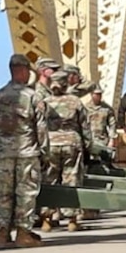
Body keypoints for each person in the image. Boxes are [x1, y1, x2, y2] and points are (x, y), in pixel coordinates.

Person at [0, 54, 49, 249]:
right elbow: (41, 130)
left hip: (2, 154)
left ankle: (1, 235)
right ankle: (23, 234)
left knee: (2, 194)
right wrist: (44, 152)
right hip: (26, 154)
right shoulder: (33, 97)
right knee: (26, 194)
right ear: (23, 71)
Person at [41, 70, 93, 232]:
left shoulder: (45, 102)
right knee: (71, 180)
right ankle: (72, 220)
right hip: (72, 143)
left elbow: (39, 125)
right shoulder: (75, 101)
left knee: (50, 180)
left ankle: (47, 219)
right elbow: (84, 126)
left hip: (51, 143)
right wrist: (88, 147)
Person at [85, 85, 117, 149]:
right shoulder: (85, 108)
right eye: (96, 94)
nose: (99, 96)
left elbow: (112, 125)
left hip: (102, 139)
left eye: (100, 94)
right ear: (91, 94)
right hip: (88, 139)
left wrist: (111, 140)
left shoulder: (107, 109)